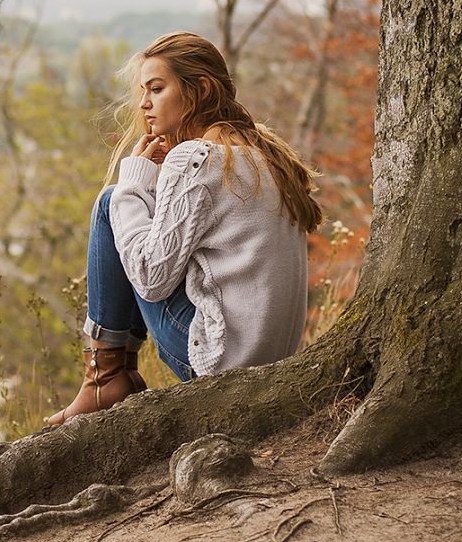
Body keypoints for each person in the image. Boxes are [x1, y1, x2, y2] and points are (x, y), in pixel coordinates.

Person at [46, 31, 323, 426]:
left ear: (201, 90)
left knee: (113, 203)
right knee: (134, 211)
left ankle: (104, 378)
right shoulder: (264, 156)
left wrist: (135, 183)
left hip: (218, 363)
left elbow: (150, 278)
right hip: (270, 363)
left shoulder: (196, 158)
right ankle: (109, 378)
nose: (144, 103)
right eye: (143, 91)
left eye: (156, 89)